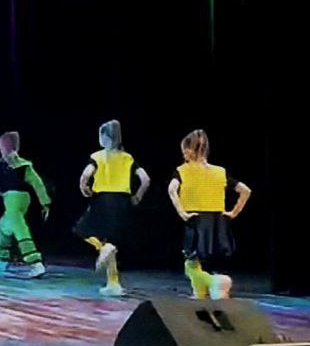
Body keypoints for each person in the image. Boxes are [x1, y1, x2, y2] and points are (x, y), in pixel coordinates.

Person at [167, 129, 252, 300]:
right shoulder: (219, 172)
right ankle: (201, 292)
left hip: (196, 220)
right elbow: (245, 190)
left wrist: (182, 213)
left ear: (189, 150)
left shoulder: (183, 170)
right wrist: (233, 213)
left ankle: (215, 282)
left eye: (184, 150)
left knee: (190, 264)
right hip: (217, 223)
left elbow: (172, 189)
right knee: (202, 262)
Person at [74, 120, 151, 296]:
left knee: (82, 230)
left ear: (105, 137)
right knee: (112, 241)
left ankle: (103, 249)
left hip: (102, 199)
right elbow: (145, 179)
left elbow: (85, 175)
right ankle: (113, 283)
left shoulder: (98, 156)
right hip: (122, 201)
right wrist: (138, 196)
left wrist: (84, 188)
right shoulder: (128, 157)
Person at [0, 131, 53, 278]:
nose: (4, 150)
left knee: (18, 226)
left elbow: (37, 184)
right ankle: (1, 260)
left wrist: (45, 203)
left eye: (7, 147)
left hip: (19, 199)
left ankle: (35, 263)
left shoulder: (24, 166)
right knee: (4, 226)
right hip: (7, 199)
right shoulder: (0, 165)